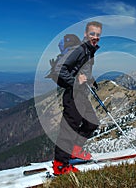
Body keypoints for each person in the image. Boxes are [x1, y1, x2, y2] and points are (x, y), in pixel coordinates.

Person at [53, 21, 102, 175]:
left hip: (81, 94)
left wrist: (91, 80)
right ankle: (60, 165)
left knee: (92, 122)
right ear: (86, 34)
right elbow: (59, 69)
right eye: (92, 34)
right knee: (69, 128)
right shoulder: (80, 49)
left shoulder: (89, 51)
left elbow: (81, 70)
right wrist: (75, 81)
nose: (95, 37)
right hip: (72, 94)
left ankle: (75, 150)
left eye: (98, 35)